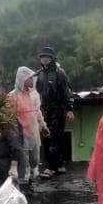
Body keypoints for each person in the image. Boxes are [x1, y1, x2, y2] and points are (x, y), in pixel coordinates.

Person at [35, 47, 75, 178]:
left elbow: (66, 91)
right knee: (47, 137)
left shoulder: (59, 72)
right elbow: (36, 93)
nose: (44, 58)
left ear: (52, 58)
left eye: (47, 56)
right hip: (44, 110)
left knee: (55, 137)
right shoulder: (39, 74)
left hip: (57, 109)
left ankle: (52, 167)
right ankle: (57, 164)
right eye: (42, 56)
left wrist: (69, 109)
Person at [10, 67, 43, 184]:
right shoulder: (13, 96)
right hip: (21, 132)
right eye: (29, 78)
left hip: (34, 131)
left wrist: (43, 125)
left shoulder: (34, 94)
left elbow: (38, 111)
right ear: (22, 79)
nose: (32, 80)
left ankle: (34, 174)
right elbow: (9, 116)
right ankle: (25, 180)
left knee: (35, 158)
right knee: (24, 159)